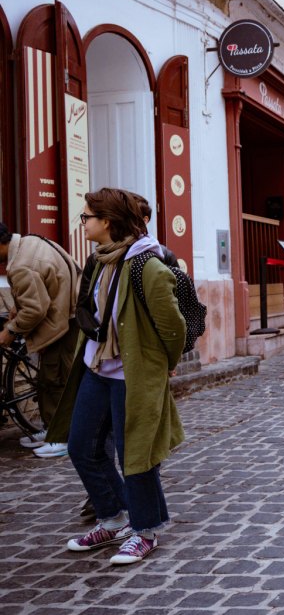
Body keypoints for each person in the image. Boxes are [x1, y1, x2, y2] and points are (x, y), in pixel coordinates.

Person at [46, 187, 186, 565]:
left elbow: (173, 326)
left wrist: (162, 364)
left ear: (106, 221)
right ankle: (113, 518)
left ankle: (145, 530)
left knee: (136, 454)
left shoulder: (147, 266)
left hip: (133, 375)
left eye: (87, 217)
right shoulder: (100, 261)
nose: (83, 223)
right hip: (97, 369)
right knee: (82, 447)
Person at [0, 221, 82, 458]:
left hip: (61, 321)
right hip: (68, 313)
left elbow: (35, 309)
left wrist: (10, 331)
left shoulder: (20, 265)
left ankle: (61, 438)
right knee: (51, 377)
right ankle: (51, 429)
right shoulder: (31, 241)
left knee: (55, 379)